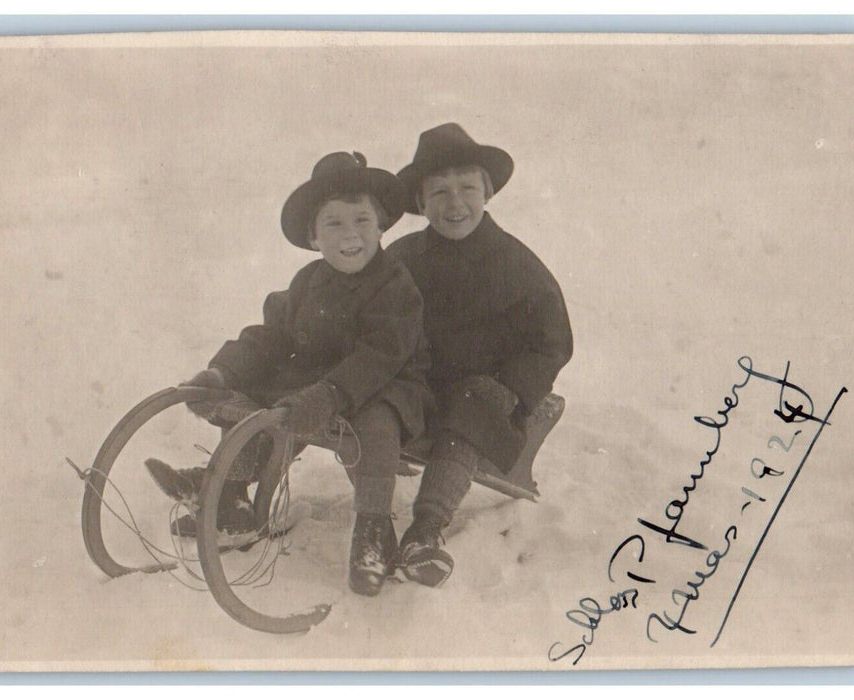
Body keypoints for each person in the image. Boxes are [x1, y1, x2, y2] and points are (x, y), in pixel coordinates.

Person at [153, 151, 434, 597]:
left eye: (362, 221)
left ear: (382, 227)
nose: (351, 236)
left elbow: (380, 356)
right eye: (334, 224)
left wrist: (327, 395)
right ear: (313, 237)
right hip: (323, 383)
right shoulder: (309, 281)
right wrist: (223, 372)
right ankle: (227, 492)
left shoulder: (395, 285)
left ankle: (374, 530)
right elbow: (272, 336)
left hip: (387, 383)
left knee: (376, 425)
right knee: (262, 398)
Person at [386, 123, 573, 588]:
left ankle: (425, 531)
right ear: (421, 202)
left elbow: (552, 341)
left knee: (469, 415)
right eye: (439, 193)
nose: (455, 204)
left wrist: (512, 387)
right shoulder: (404, 256)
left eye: (467, 188)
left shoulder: (516, 265)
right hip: (419, 388)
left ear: (487, 192)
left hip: (484, 396)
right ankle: (235, 486)